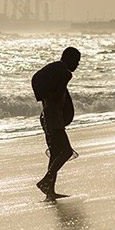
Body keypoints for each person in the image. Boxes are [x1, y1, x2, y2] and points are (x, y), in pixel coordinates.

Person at [31, 46, 80, 200]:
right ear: (69, 59)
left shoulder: (56, 71)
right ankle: (45, 181)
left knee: (54, 154)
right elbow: (56, 95)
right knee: (66, 151)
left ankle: (50, 191)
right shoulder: (63, 73)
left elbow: (51, 95)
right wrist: (65, 82)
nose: (77, 65)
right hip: (53, 117)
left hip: (47, 116)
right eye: (77, 61)